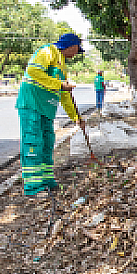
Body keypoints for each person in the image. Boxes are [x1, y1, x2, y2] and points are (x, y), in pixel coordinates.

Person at [16, 32, 83, 196]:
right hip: (32, 103)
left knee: (47, 143)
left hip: (46, 109)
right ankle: (33, 187)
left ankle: (46, 180)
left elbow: (66, 96)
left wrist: (76, 117)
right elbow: (33, 71)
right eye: (77, 49)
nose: (76, 53)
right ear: (72, 46)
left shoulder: (62, 66)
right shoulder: (48, 51)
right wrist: (59, 83)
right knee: (33, 143)